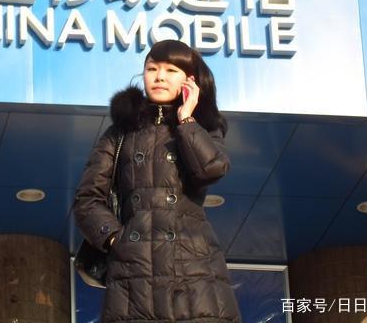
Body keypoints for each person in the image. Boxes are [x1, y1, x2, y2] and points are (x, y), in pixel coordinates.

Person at [73, 39, 241, 322]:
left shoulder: (203, 127)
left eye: (171, 70)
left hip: (195, 269)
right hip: (133, 273)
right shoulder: (120, 133)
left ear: (189, 81)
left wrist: (186, 120)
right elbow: (87, 199)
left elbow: (211, 169)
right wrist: (116, 239)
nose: (160, 77)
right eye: (152, 69)